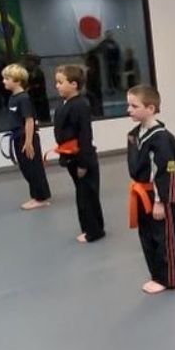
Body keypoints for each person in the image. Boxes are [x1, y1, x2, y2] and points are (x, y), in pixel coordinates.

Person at [126, 85, 175, 293]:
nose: (129, 109)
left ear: (150, 108)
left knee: (164, 237)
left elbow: (168, 170)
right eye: (128, 104)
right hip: (140, 192)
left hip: (157, 194)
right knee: (147, 236)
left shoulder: (162, 138)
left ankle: (170, 277)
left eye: (134, 105)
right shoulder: (135, 133)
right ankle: (156, 274)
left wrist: (161, 200)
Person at [51, 64, 105, 244]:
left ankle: (94, 231)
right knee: (82, 193)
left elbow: (84, 136)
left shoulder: (81, 105)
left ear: (74, 84)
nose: (57, 86)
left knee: (86, 196)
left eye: (60, 82)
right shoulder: (65, 104)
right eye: (56, 82)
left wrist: (83, 163)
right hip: (70, 155)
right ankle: (91, 227)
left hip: (82, 157)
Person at [1, 63, 51, 211]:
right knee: (25, 167)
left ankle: (41, 197)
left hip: (26, 137)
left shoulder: (23, 99)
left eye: (7, 78)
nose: (4, 81)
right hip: (17, 137)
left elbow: (29, 120)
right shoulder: (13, 98)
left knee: (33, 167)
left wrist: (29, 142)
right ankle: (36, 195)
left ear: (17, 80)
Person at [23, 53, 51, 123]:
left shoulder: (39, 73)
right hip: (30, 99)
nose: (28, 63)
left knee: (43, 117)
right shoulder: (25, 72)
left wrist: (31, 87)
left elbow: (40, 86)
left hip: (40, 99)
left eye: (30, 61)